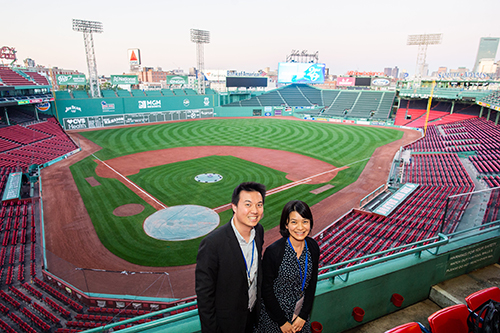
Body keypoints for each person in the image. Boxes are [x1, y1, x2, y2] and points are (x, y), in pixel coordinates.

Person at [196, 182, 266, 333]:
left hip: (252, 316)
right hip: (227, 325)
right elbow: (204, 298)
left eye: (259, 205)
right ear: (234, 207)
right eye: (248, 204)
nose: (255, 210)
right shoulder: (212, 244)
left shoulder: (259, 231)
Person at [256, 200, 320, 333]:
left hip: (300, 317)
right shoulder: (274, 252)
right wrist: (282, 321)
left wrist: (303, 315)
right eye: (294, 222)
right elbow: (266, 290)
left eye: (305, 221)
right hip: (274, 317)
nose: (300, 227)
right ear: (286, 224)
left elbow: (312, 283)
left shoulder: (313, 247)